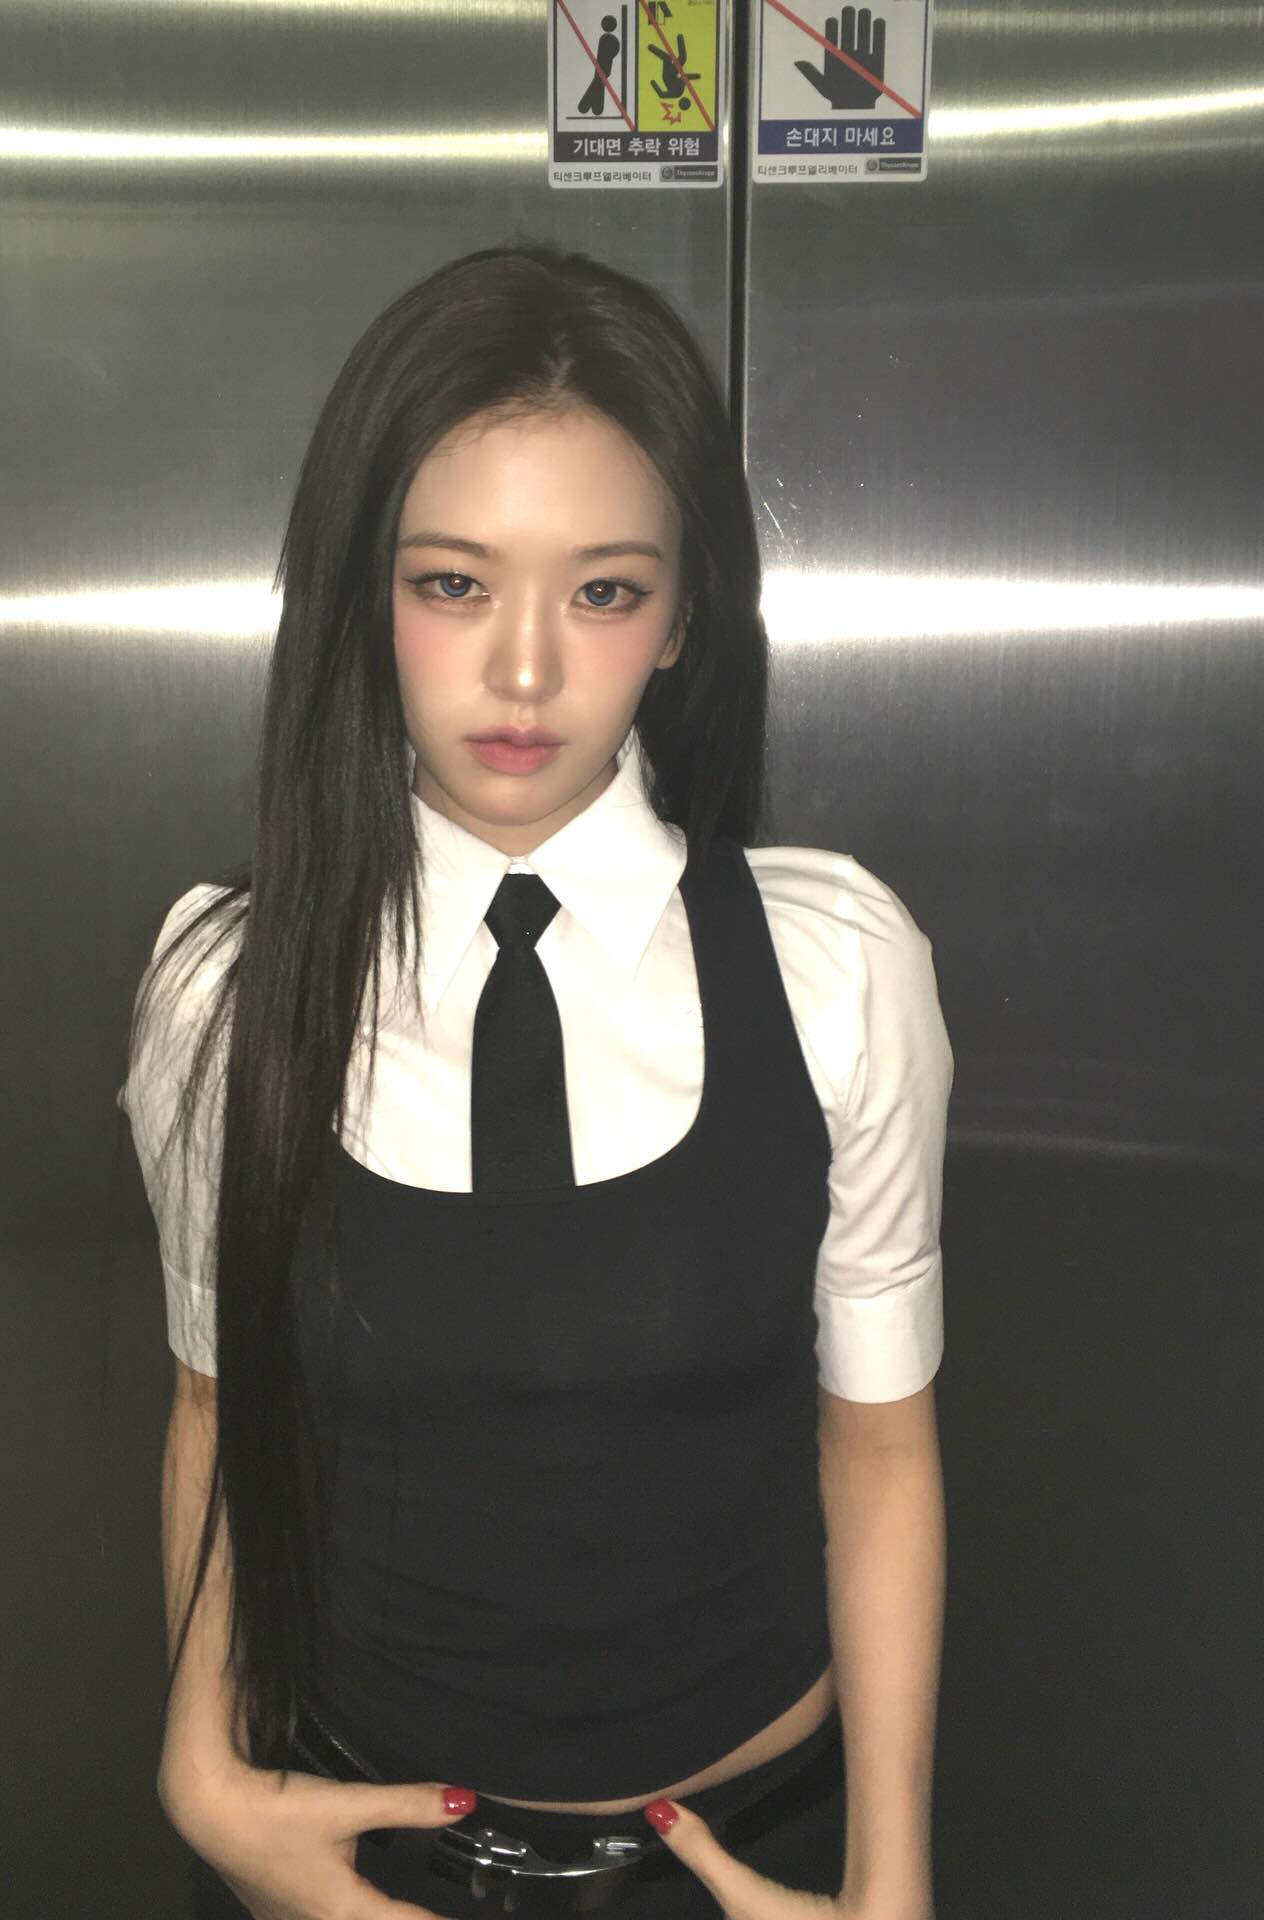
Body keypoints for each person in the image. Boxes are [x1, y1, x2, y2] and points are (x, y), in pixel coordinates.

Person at [118, 243, 951, 1920]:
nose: (522, 672)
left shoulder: (835, 966)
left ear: (684, 615)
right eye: (452, 584)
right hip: (353, 1861)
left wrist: (892, 1881)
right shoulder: (227, 989)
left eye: (603, 592)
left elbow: (879, 1448)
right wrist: (204, 1773)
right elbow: (220, 1408)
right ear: (361, 596)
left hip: (754, 1860)